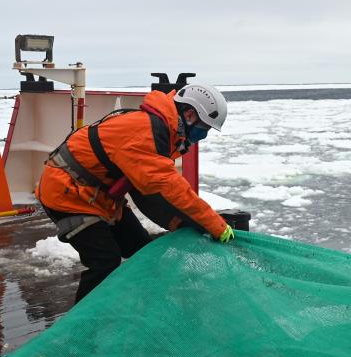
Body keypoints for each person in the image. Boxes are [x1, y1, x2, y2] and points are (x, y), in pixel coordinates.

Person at [36, 83, 235, 303]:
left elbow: (146, 192)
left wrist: (179, 223)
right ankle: (81, 329)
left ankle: (140, 306)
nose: (202, 137)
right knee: (104, 260)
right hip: (68, 195)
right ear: (189, 115)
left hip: (100, 198)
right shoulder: (145, 132)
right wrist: (215, 224)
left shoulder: (163, 132)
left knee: (141, 250)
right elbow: (170, 188)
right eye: (203, 129)